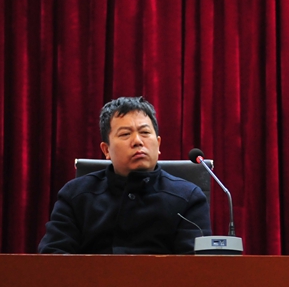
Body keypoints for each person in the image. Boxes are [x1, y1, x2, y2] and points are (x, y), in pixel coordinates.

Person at [38, 96, 211, 254]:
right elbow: (53, 256)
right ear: (106, 150)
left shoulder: (188, 198)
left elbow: (196, 267)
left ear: (158, 144)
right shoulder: (76, 195)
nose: (137, 141)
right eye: (125, 134)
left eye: (145, 132)